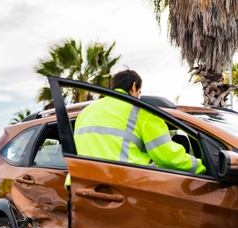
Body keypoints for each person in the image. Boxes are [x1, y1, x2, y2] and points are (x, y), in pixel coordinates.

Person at [73, 69, 206, 173]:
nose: (138, 96)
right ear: (134, 86)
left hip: (81, 187)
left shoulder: (85, 112)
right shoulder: (141, 111)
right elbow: (166, 156)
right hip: (120, 185)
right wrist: (201, 168)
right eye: (139, 92)